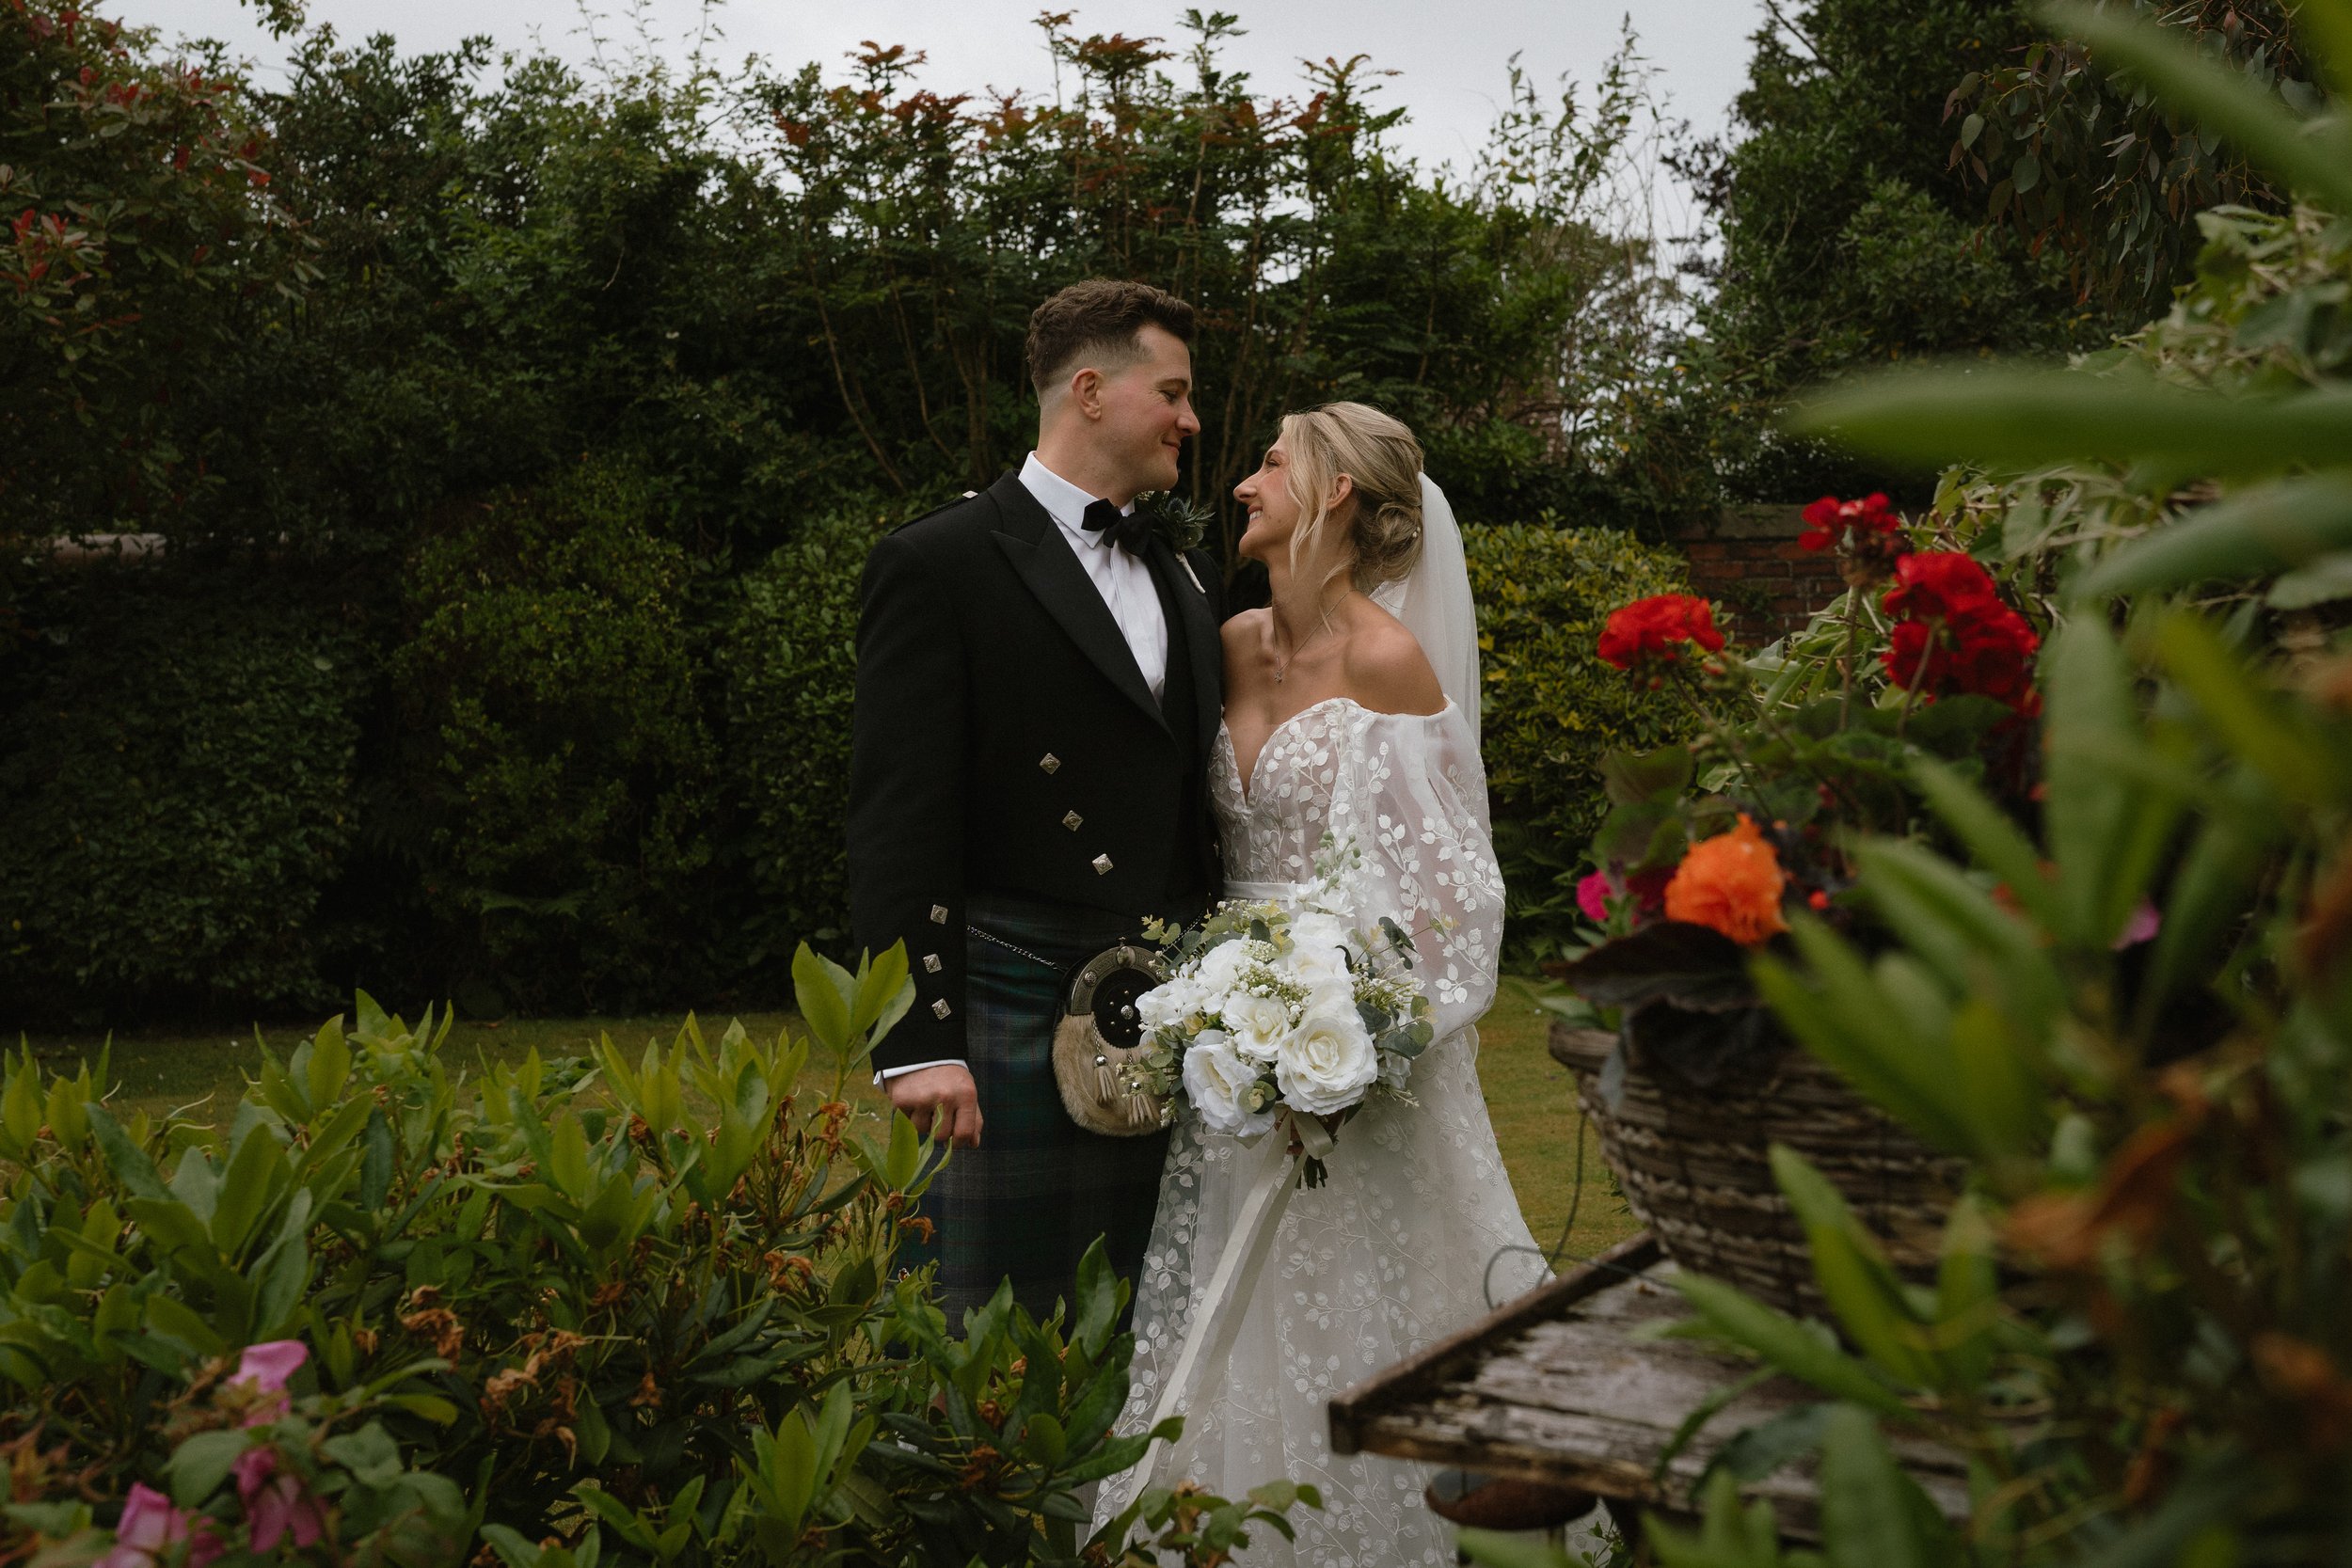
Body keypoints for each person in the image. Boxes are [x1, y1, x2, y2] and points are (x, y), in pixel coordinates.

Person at [1106, 403, 1546, 1563]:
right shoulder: (1227, 640)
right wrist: (1230, 1011)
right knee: (1224, 1303)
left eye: (1269, 464)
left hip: (1348, 1062)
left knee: (1349, 1300)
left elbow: (1454, 897)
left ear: (1336, 490)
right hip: (1225, 1047)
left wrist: (1350, 1017)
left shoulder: (1386, 662)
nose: (1242, 483)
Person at [847, 278, 1227, 1321]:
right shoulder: (941, 561)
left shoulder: (1182, 571)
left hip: (1166, 1002)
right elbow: (898, 814)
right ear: (1093, 391)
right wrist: (918, 1036)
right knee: (981, 1342)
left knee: (1150, 1327)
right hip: (1008, 994)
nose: (1192, 420)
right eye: (1175, 391)